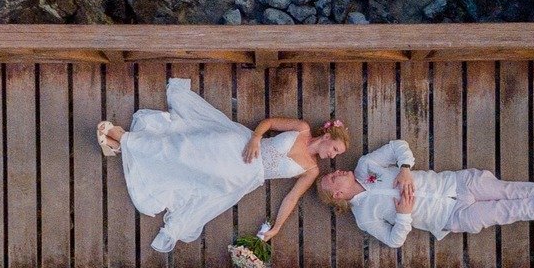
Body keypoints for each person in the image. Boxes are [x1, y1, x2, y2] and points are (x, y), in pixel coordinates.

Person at [98, 82, 348, 253]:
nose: (332, 156)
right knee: (186, 144)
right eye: (335, 149)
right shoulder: (302, 128)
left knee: (190, 165)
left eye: (336, 155)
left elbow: (292, 198)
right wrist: (255, 138)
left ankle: (124, 140)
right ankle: (126, 141)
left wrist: (278, 227)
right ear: (327, 137)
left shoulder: (312, 170)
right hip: (241, 144)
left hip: (247, 173)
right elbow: (269, 122)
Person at [316, 137, 534, 248]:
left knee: (513, 190)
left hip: (455, 184)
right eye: (333, 180)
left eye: (333, 172)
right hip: (452, 216)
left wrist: (405, 168)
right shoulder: (364, 218)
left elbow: (397, 146)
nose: (337, 172)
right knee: (515, 210)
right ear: (338, 196)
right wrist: (404, 216)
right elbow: (394, 241)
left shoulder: (367, 164)